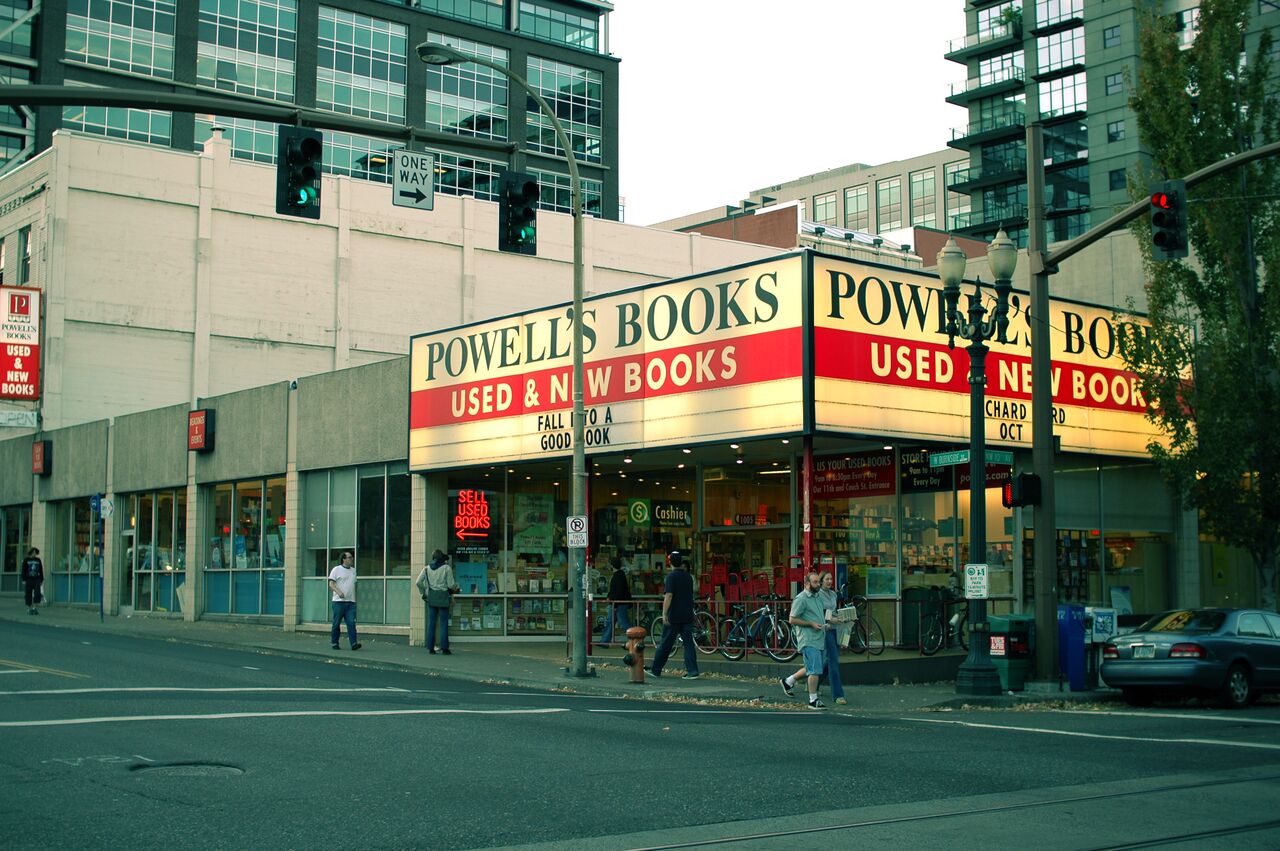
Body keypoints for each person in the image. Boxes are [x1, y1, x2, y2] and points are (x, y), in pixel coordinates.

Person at [781, 571, 832, 709]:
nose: (818, 584)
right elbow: (792, 619)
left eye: (818, 582)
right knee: (815, 670)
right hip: (808, 639)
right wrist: (811, 624)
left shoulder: (817, 596)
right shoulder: (801, 598)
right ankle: (813, 700)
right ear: (807, 583)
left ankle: (788, 681)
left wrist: (826, 623)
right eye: (815, 582)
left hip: (818, 637)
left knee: (812, 667)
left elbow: (818, 614)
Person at [649, 550, 699, 680]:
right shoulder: (688, 577)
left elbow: (669, 595)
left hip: (674, 615)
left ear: (670, 562)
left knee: (666, 643)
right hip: (687, 614)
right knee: (688, 644)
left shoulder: (671, 577)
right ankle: (693, 670)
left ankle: (656, 669)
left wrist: (664, 613)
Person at [417, 549, 457, 655]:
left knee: (432, 623)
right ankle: (445, 648)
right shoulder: (446, 568)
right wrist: (455, 588)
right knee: (444, 623)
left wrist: (424, 592)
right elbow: (450, 585)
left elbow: (418, 582)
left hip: (432, 597)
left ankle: (430, 648)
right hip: (443, 597)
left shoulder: (426, 568)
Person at [819, 572, 848, 705]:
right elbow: (821, 612)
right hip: (826, 629)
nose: (830, 581)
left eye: (831, 579)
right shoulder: (818, 595)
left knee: (830, 659)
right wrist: (833, 619)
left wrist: (844, 617)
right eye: (827, 579)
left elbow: (834, 611)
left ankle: (814, 682)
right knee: (833, 661)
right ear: (821, 581)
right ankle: (838, 695)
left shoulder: (833, 594)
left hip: (835, 628)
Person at [328, 550, 360, 651]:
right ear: (344, 559)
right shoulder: (336, 569)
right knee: (336, 623)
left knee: (351, 623)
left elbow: (353, 584)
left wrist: (354, 598)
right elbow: (331, 583)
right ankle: (334, 642)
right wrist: (339, 592)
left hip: (350, 602)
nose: (352, 559)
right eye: (349, 557)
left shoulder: (353, 571)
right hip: (338, 602)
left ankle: (354, 643)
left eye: (352, 557)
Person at [601, 556, 632, 644]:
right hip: (617, 603)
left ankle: (635, 638)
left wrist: (615, 603)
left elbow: (618, 591)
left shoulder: (618, 575)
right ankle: (604, 641)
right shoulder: (620, 574)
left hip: (618, 604)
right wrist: (610, 597)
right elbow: (615, 590)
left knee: (623, 622)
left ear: (612, 565)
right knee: (611, 621)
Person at [22, 547, 44, 615]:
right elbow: (23, 570)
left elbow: (40, 569)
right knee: (28, 594)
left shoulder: (38, 560)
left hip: (36, 579)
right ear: (31, 552)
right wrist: (23, 579)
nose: (35, 554)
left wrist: (41, 579)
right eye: (34, 552)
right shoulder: (26, 560)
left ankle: (35, 607)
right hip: (28, 579)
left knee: (37, 593)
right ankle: (29, 608)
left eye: (36, 553)